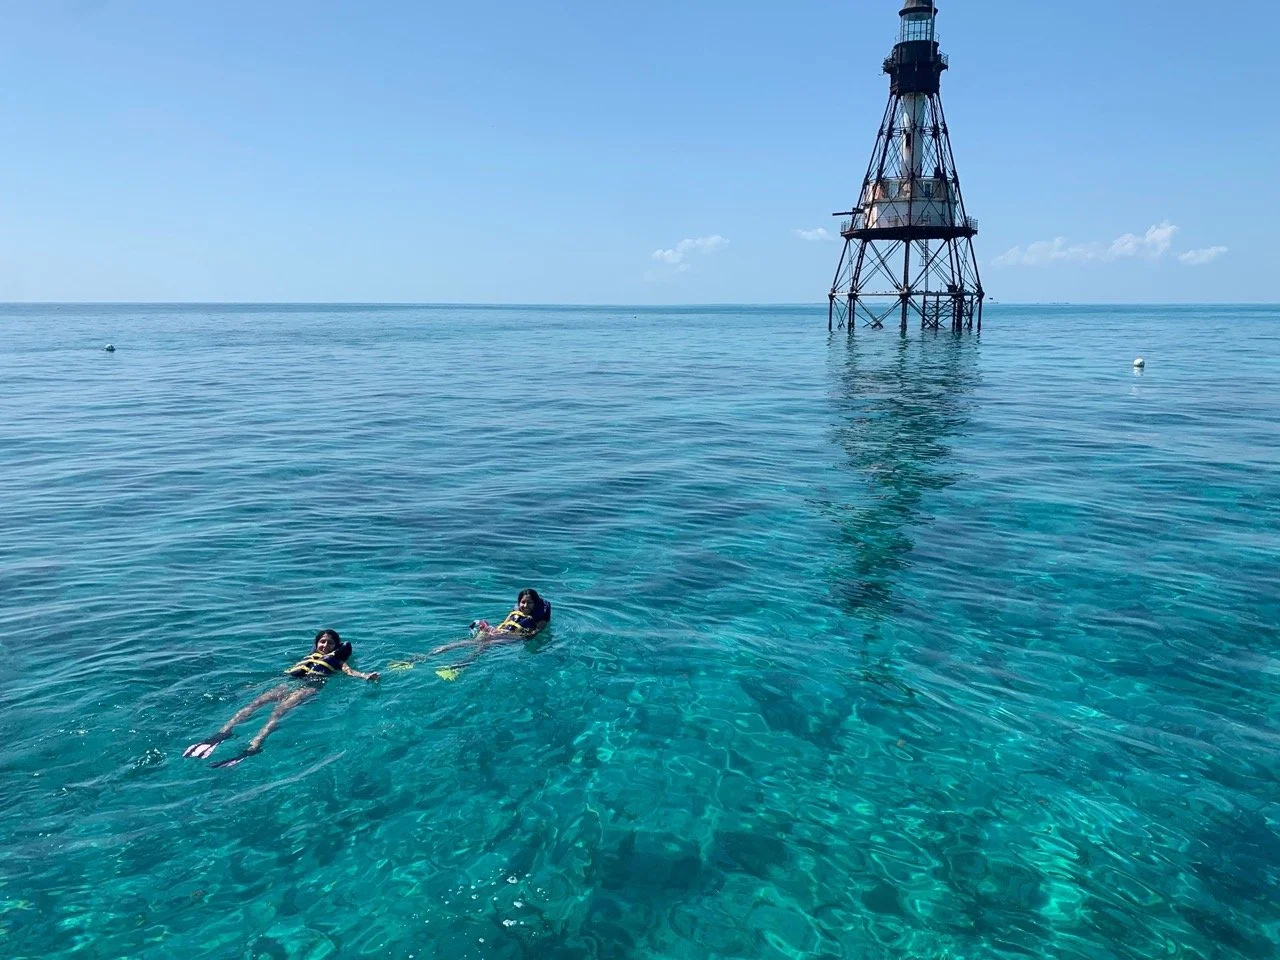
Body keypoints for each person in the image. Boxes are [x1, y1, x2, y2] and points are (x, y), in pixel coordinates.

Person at [183, 629, 379, 768]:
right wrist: (255, 686)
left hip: (312, 687)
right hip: (291, 683)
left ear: (336, 646)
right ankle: (223, 733)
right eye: (322, 641)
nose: (325, 645)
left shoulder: (339, 660)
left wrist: (366, 676)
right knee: (255, 703)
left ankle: (255, 745)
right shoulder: (309, 657)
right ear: (317, 643)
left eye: (330, 643)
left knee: (279, 711)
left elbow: (350, 671)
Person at [428, 588, 551, 681]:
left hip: (514, 638)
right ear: (519, 602)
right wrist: (492, 629)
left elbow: (536, 632)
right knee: (465, 643)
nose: (525, 606)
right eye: (523, 602)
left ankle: (457, 667)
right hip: (499, 633)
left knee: (484, 646)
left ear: (535, 604)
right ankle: (422, 658)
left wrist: (528, 636)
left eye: (529, 603)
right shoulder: (515, 612)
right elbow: (506, 624)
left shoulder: (540, 620)